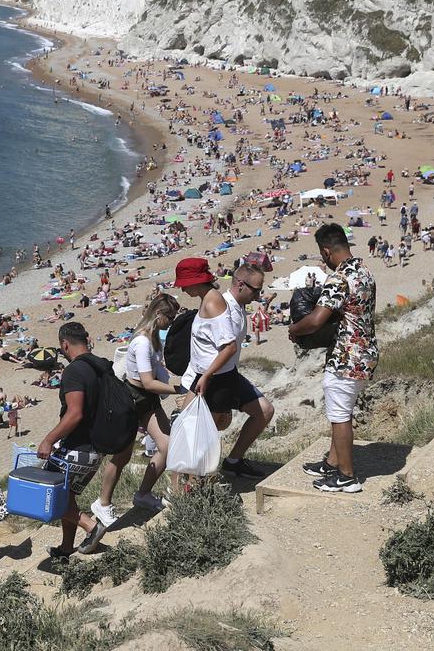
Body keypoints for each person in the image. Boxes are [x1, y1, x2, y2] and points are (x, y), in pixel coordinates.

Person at [289, 223, 380, 493]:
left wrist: (295, 330)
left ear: (326, 251)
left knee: (340, 417)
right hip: (365, 352)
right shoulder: (364, 271)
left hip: (346, 357)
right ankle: (332, 462)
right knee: (341, 411)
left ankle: (346, 476)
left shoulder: (339, 278)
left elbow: (316, 320)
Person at [173, 258, 273, 479]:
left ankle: (233, 462)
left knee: (264, 411)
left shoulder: (237, 306)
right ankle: (193, 483)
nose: (258, 295)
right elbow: (226, 347)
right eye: (256, 290)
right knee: (200, 434)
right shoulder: (222, 306)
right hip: (209, 378)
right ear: (240, 285)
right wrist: (204, 379)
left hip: (226, 375)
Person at [93, 294, 185, 526]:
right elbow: (148, 382)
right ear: (158, 315)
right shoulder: (143, 342)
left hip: (147, 401)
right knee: (122, 456)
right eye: (170, 317)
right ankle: (102, 503)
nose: (171, 322)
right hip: (132, 400)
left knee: (167, 446)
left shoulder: (153, 338)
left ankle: (142, 493)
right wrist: (180, 388)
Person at [37, 322, 108, 558]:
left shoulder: (75, 371)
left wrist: (49, 439)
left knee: (51, 493)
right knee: (68, 497)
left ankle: (91, 526)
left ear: (64, 344)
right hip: (97, 447)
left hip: (78, 447)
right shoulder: (100, 365)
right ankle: (67, 548)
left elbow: (75, 413)